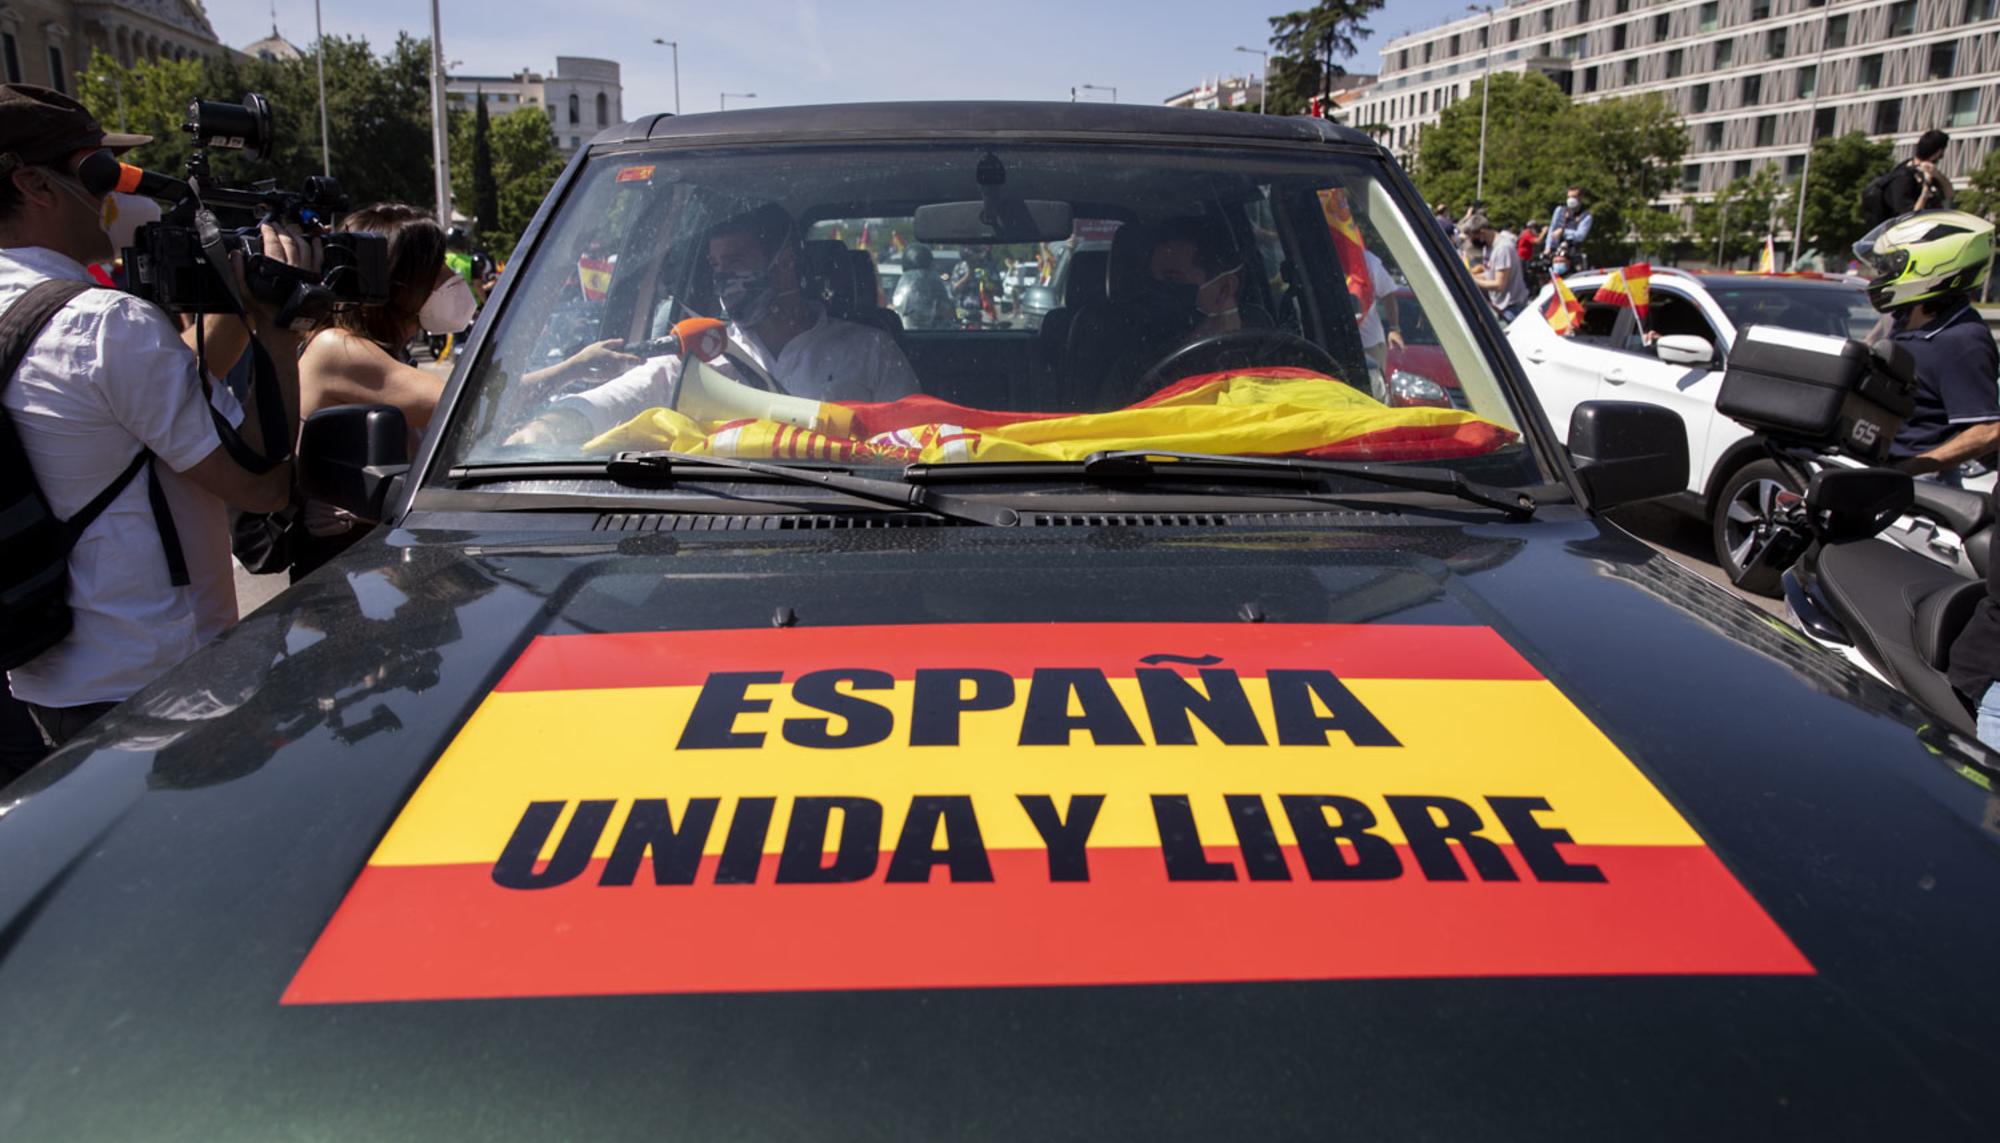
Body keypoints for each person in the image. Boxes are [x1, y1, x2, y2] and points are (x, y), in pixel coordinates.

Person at [0, 83, 315, 749]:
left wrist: (233, 303)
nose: (119, 190)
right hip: (158, 690)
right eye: (100, 170)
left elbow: (137, 408)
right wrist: (277, 330)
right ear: (35, 184)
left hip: (45, 682)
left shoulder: (47, 315)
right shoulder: (104, 324)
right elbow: (262, 487)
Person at [508, 203, 920, 448]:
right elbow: (608, 403)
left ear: (785, 263)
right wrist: (543, 433)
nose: (724, 277)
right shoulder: (700, 350)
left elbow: (917, 442)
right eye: (716, 266)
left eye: (736, 262)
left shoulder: (869, 350)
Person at [1853, 210, 1999, 486]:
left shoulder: (1961, 339)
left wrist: (1911, 468)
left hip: (1918, 486)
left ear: (1929, 266)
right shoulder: (1908, 317)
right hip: (1876, 468)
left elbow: (1988, 431)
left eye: (1891, 266)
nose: (1882, 275)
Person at [1466, 214, 1529, 321]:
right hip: (1499, 306)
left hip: (1512, 307)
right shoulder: (1488, 247)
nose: (1472, 241)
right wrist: (1469, 275)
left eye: (1473, 237)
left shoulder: (1502, 249)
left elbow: (1499, 285)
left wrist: (1472, 280)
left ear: (1482, 232)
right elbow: (1490, 274)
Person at [1883, 130, 1955, 217]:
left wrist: (1938, 175)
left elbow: (1949, 194)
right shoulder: (1903, 176)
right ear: (1938, 152)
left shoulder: (1929, 171)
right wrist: (1926, 187)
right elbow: (1910, 215)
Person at [892, 243, 954, 330]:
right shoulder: (935, 281)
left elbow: (947, 308)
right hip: (925, 331)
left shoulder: (935, 282)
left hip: (917, 331)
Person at [1544, 186, 1593, 257]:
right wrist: (1548, 247)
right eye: (1569, 197)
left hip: (1572, 251)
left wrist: (1563, 232)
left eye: (1573, 197)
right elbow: (1552, 229)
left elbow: (1580, 235)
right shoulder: (1559, 210)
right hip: (1554, 250)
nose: (1570, 200)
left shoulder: (1586, 216)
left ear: (1581, 197)